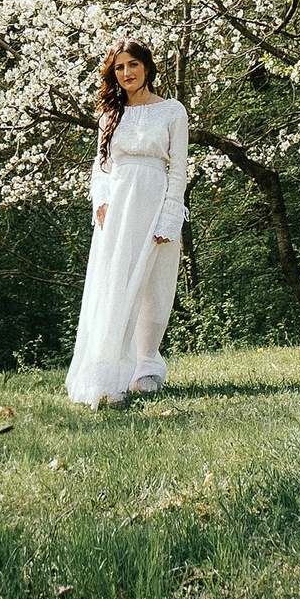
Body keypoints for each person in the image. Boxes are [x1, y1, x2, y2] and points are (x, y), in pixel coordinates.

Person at [63, 39, 189, 407]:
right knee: (115, 284)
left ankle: (146, 366)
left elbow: (178, 169)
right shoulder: (109, 113)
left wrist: (170, 214)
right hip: (117, 207)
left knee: (154, 284)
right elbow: (101, 167)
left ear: (147, 67)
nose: (127, 73)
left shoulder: (171, 111)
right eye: (119, 67)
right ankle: (109, 371)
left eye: (133, 64)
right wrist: (100, 200)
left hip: (154, 201)